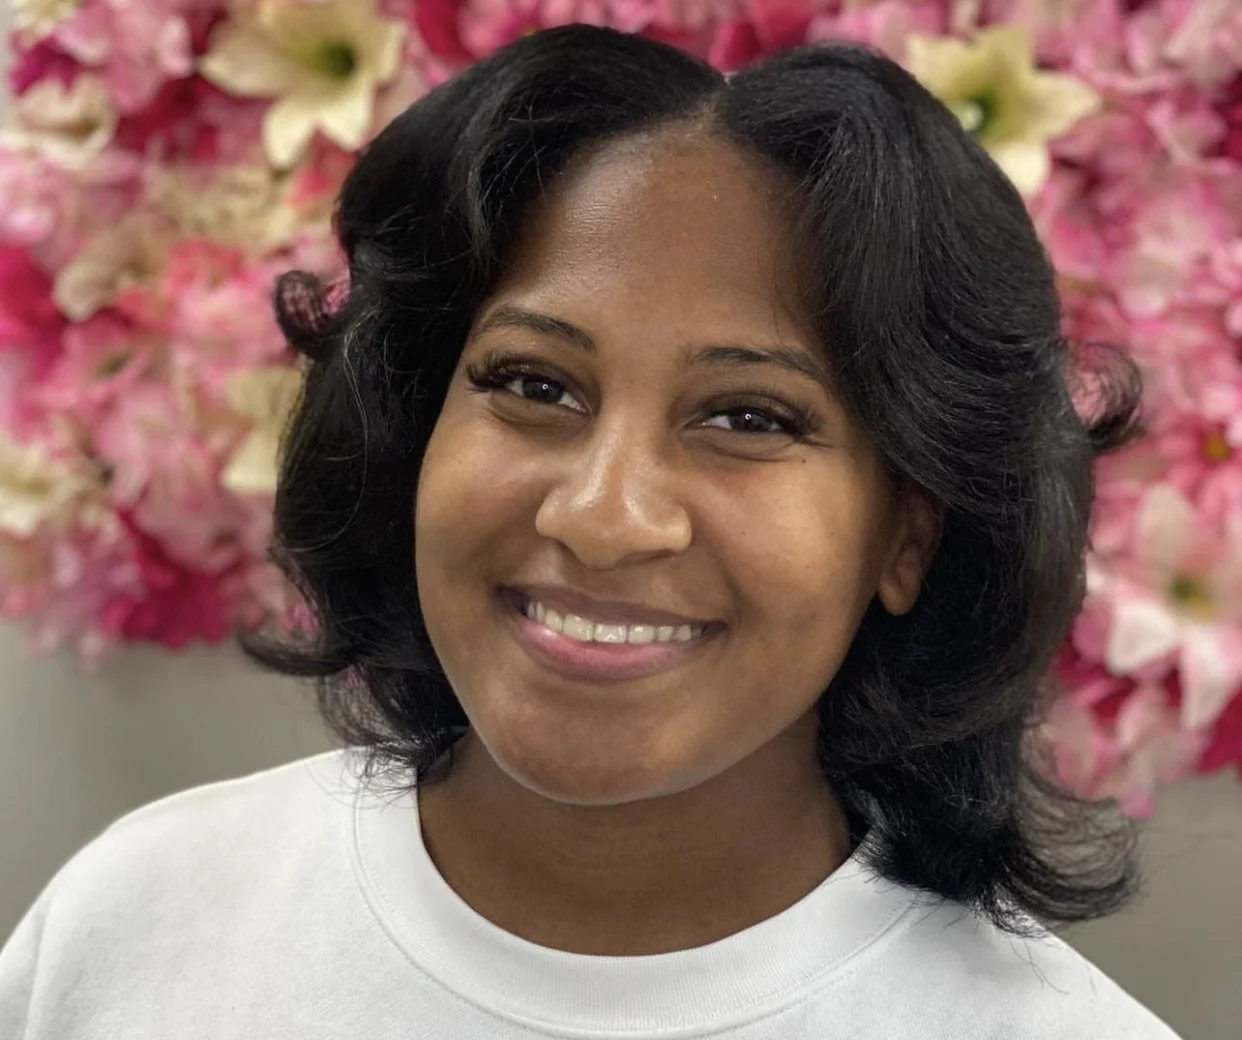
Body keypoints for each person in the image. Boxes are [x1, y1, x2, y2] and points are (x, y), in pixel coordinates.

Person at [0, 23, 1181, 1039]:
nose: (604, 516)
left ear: (909, 534)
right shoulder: (137, 925)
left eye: (748, 416)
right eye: (535, 385)